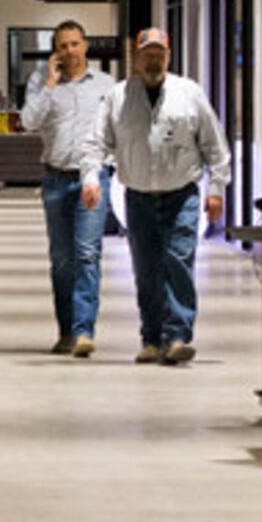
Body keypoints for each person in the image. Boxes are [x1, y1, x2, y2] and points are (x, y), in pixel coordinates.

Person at [91, 27, 230, 365]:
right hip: (138, 196)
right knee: (147, 269)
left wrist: (216, 188)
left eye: (159, 54)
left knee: (178, 262)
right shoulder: (118, 97)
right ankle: (151, 337)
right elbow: (97, 142)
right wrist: (90, 177)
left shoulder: (189, 94)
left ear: (168, 57)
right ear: (136, 59)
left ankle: (178, 335)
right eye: (146, 54)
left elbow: (214, 144)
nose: (153, 60)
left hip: (182, 195)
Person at [17, 19, 117, 357]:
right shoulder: (41, 82)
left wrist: (112, 165)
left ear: (85, 46)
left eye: (75, 44)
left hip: (92, 179)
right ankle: (65, 330)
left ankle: (84, 331)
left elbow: (117, 130)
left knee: (87, 254)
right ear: (55, 51)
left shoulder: (106, 85)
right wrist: (49, 84)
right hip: (56, 179)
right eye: (63, 46)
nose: (70, 51)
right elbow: (28, 122)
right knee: (62, 260)